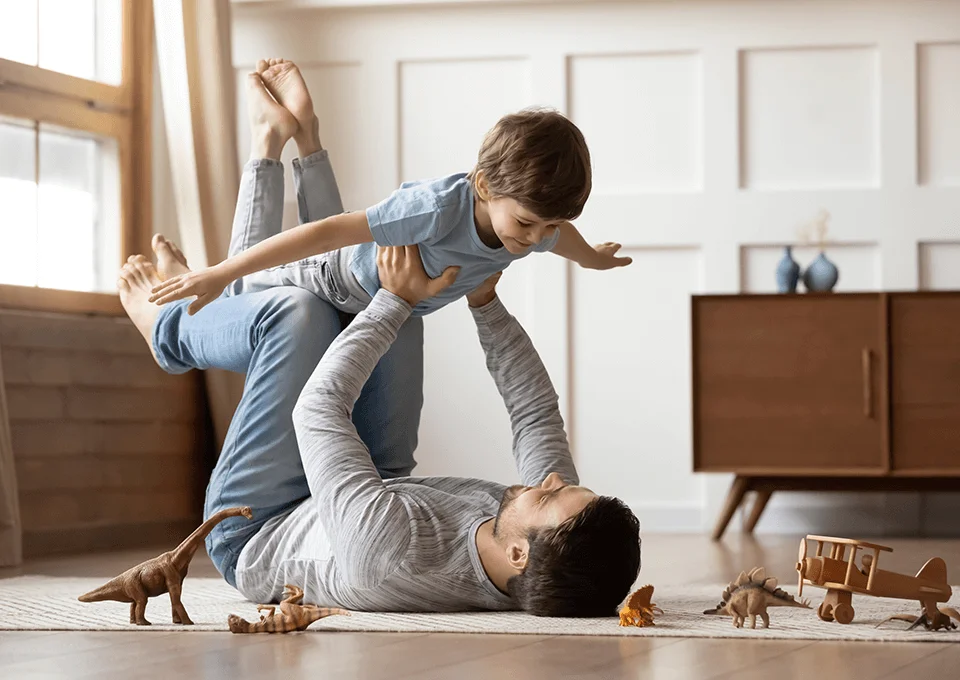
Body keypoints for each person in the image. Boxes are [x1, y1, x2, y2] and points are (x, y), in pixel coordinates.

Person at [118, 239, 641, 617]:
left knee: (300, 315)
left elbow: (316, 410)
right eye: (564, 485)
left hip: (259, 523)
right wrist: (484, 301)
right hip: (376, 485)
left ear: (519, 555)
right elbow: (534, 411)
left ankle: (166, 327)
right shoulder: (543, 533)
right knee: (392, 298)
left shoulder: (390, 556)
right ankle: (211, 286)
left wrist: (396, 301)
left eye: (551, 496)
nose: (549, 481)